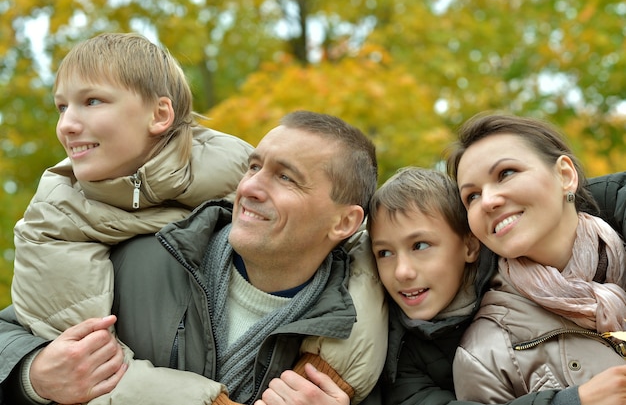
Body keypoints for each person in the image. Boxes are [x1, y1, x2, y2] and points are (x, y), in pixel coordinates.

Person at [0, 110, 388, 405]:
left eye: (285, 177)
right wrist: (32, 375)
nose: (251, 187)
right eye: (254, 167)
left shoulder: (362, 339)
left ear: (344, 222)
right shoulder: (140, 257)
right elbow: (13, 329)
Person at [8, 32, 255, 404]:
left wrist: (330, 373)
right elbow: (95, 366)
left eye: (91, 101)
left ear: (159, 115)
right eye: (62, 107)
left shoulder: (242, 169)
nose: (67, 125)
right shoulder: (54, 218)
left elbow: (350, 255)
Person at [446, 113, 626, 404]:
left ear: (565, 175)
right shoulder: (486, 353)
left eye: (505, 173)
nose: (489, 201)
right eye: (472, 196)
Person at [366, 166, 483, 405]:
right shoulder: (397, 354)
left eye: (420, 246)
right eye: (385, 252)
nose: (402, 272)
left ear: (470, 247)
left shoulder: (520, 291)